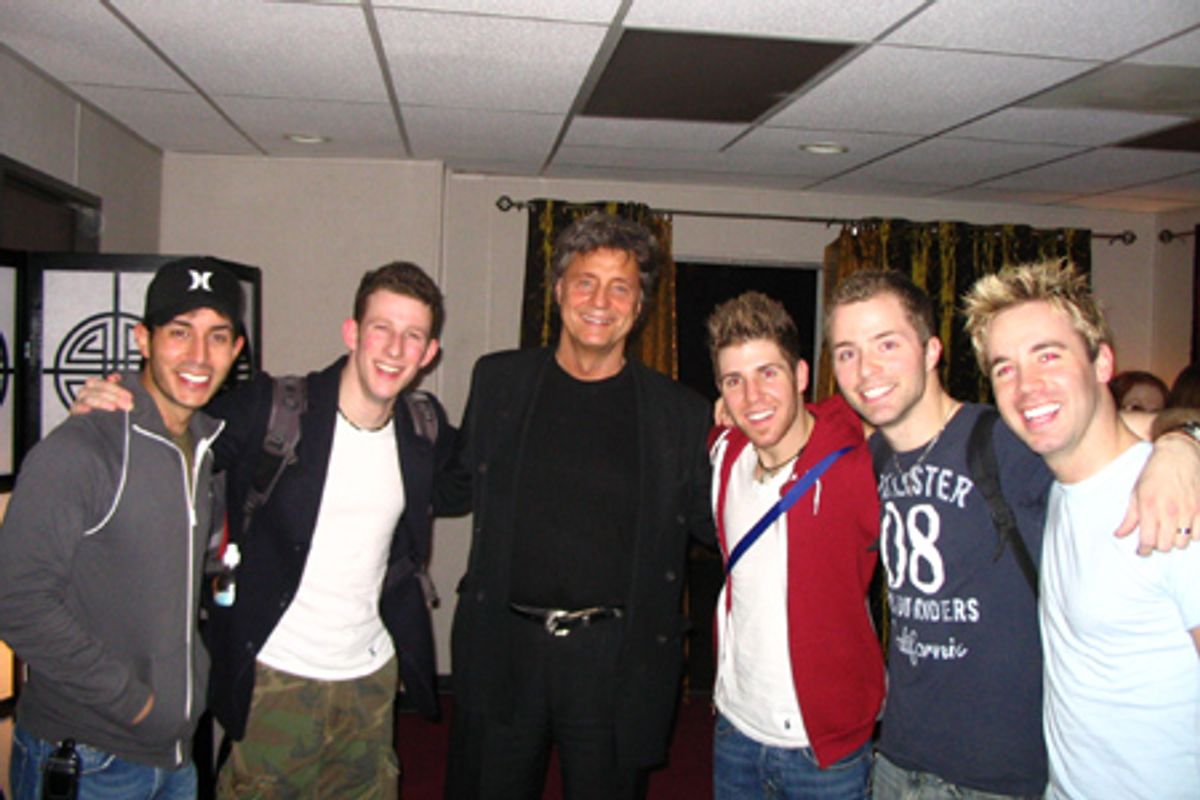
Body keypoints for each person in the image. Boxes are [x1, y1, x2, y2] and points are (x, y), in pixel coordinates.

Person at [67, 261, 453, 799]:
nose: (394, 348)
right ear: (352, 333)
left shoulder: (422, 427)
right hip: (279, 674)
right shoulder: (273, 410)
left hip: (370, 675)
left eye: (413, 336)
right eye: (381, 328)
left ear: (429, 353)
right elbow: (177, 436)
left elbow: (481, 479)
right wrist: (116, 407)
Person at [825, 268, 1200, 799]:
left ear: (932, 351)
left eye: (887, 343)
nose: (866, 369)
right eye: (846, 352)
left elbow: (1114, 429)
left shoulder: (1012, 446)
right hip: (901, 760)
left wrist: (1184, 442)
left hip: (994, 778)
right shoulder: (874, 459)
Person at [436, 212, 714, 800]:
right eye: (586, 281)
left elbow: (720, 525)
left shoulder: (678, 415)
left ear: (639, 307)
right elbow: (451, 483)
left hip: (616, 658)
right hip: (505, 644)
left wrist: (762, 447)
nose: (600, 301)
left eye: (621, 287)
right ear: (559, 289)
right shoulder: (499, 383)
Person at [0, 257, 245, 799]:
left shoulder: (203, 451)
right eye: (179, 332)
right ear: (143, 339)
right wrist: (136, 704)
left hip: (174, 757)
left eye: (217, 336)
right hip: (89, 757)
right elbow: (16, 603)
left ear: (236, 350)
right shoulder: (82, 450)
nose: (199, 356)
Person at [963, 260, 1200, 798]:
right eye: (1005, 368)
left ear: (1101, 363)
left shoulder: (1174, 500)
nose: (1027, 387)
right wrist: (1183, 434)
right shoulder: (1057, 488)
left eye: (1048, 355)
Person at [705, 292, 882, 800]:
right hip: (734, 731)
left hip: (824, 750)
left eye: (768, 373)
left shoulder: (856, 465)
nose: (752, 396)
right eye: (733, 381)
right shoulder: (725, 453)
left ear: (802, 375)